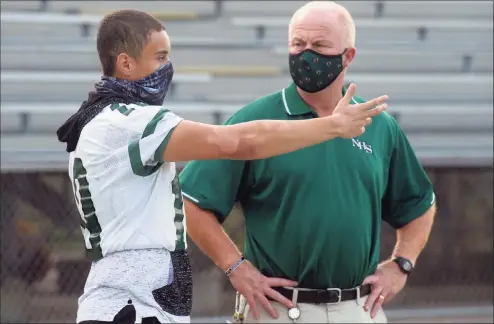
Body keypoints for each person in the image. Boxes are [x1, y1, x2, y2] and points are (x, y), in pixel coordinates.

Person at [55, 9, 387, 324]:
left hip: (123, 293)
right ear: (125, 63)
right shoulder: (129, 122)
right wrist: (332, 127)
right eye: (160, 57)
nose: (167, 67)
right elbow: (238, 143)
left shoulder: (101, 118)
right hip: (131, 303)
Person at [179, 1, 436, 323]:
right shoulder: (255, 121)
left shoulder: (379, 126)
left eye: (320, 45)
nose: (306, 55)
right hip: (278, 310)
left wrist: (402, 264)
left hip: (358, 309)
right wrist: (236, 268)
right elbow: (191, 201)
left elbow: (419, 203)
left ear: (348, 56)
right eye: (298, 45)